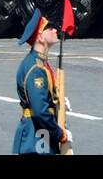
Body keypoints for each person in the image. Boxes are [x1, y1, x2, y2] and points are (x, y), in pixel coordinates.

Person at [11, 9, 71, 155]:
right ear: (40, 37)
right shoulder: (36, 68)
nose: (54, 30)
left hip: (40, 134)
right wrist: (59, 133)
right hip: (36, 137)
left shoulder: (40, 63)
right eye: (49, 28)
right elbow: (40, 111)